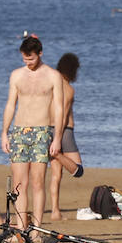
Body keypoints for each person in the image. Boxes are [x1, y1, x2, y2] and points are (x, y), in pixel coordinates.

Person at [2, 35, 65, 228]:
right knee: (19, 184)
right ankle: (21, 227)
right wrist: (4, 132)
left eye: (31, 58)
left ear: (40, 54)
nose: (28, 62)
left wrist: (57, 138)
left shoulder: (53, 76)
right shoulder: (17, 75)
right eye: (25, 59)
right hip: (19, 131)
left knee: (38, 182)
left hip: (42, 132)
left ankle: (36, 229)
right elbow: (11, 105)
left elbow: (59, 108)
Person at [47, 53, 83, 220]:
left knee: (56, 174)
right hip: (64, 130)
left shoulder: (50, 83)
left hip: (48, 129)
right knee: (77, 170)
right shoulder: (67, 89)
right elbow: (62, 113)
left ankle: (55, 211)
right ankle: (57, 154)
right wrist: (58, 140)